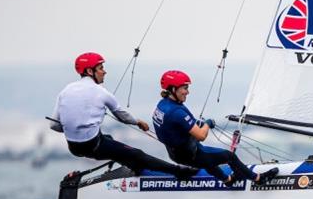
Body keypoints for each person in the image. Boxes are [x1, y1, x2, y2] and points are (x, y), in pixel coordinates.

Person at [50, 52, 197, 179]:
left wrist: (74, 128)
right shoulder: (101, 92)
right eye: (101, 68)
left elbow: (54, 125)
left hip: (74, 148)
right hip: (93, 146)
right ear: (89, 71)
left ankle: (134, 167)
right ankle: (179, 172)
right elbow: (122, 116)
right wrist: (138, 122)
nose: (104, 71)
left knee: (109, 140)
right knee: (137, 154)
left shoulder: (65, 90)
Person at [152, 70, 278, 186]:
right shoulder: (176, 112)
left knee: (208, 160)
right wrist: (207, 124)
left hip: (178, 153)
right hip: (191, 154)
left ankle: (227, 180)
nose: (187, 92)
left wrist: (196, 124)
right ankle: (258, 179)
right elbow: (201, 136)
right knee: (229, 156)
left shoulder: (162, 105)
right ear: (173, 89)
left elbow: (176, 126)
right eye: (185, 88)